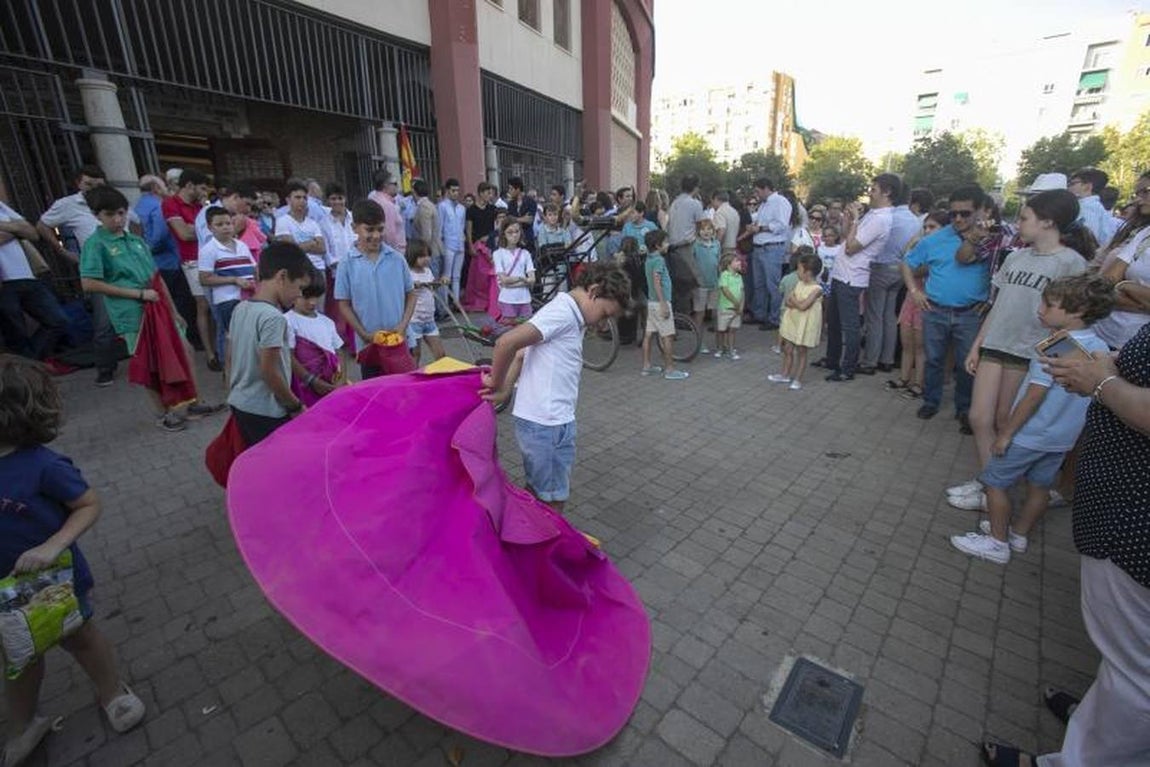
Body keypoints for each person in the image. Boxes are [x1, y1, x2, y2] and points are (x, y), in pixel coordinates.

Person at [978, 324, 1150, 767]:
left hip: (1136, 526)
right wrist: (1113, 365)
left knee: (1138, 676)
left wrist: (1103, 382)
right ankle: (1103, 721)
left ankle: (1087, 754)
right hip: (1124, 512)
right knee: (1127, 661)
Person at [0, 357, 146, 767]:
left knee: (80, 636)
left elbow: (88, 504)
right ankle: (23, 723)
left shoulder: (43, 466)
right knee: (19, 658)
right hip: (6, 594)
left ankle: (112, 692)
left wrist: (54, 544)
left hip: (52, 583)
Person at [950, 274, 1113, 564]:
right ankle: (1019, 534)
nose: (1040, 309)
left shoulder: (1055, 347)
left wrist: (1006, 433)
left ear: (1076, 312)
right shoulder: (1100, 347)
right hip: (1061, 439)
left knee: (995, 483)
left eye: (1049, 304)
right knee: (1040, 487)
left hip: (1029, 434)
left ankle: (997, 542)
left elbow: (1033, 396)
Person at [947, 190, 1092, 510]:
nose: (1019, 224)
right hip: (995, 342)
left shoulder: (1071, 262)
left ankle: (997, 488)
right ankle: (989, 483)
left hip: (1029, 351)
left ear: (1048, 222)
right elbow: (998, 305)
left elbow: (1073, 317)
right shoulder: (1015, 256)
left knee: (1003, 420)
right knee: (978, 417)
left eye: (1025, 218)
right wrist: (977, 345)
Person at [480, 262, 631, 512]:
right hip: (549, 424)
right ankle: (545, 544)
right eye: (604, 314)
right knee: (552, 499)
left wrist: (506, 389)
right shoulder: (563, 313)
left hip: (542, 421)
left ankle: (526, 534)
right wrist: (497, 383)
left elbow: (521, 353)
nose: (603, 324)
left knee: (539, 489)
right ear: (593, 292)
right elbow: (507, 343)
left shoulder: (570, 312)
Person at [80, 186, 219, 431]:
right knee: (149, 362)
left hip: (159, 304)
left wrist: (174, 310)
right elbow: (89, 283)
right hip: (131, 311)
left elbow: (156, 276)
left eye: (121, 213)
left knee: (184, 349)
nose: (117, 219)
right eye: (109, 215)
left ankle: (193, 401)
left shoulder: (135, 241)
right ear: (97, 215)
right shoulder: (95, 244)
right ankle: (164, 414)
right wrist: (138, 294)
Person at [901, 184, 990, 421]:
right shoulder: (935, 239)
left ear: (980, 210)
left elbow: (1001, 273)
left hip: (970, 312)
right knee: (934, 360)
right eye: (953, 214)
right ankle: (931, 400)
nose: (958, 218)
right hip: (935, 310)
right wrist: (914, 291)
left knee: (966, 365)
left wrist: (991, 300)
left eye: (965, 213)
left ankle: (964, 408)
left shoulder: (992, 239)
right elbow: (907, 263)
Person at [224, 242, 312, 445]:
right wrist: (295, 405)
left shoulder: (241, 307)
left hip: (240, 403)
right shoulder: (273, 317)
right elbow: (269, 371)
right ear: (282, 276)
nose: (299, 295)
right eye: (299, 287)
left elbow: (229, 356)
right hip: (266, 410)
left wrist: (232, 390)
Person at [824, 175, 895, 382]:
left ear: (887, 192)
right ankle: (832, 360)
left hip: (852, 278)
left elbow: (852, 247)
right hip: (841, 274)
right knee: (834, 322)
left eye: (873, 189)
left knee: (850, 325)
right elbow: (847, 236)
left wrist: (855, 219)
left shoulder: (881, 219)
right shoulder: (873, 214)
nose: (869, 193)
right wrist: (848, 218)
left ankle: (847, 368)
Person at [335, 200, 416, 380]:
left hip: (399, 342)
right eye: (369, 230)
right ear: (354, 227)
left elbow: (411, 294)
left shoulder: (396, 258)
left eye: (380, 229)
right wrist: (363, 333)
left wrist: (402, 326)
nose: (376, 235)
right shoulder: (347, 264)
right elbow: (344, 304)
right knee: (375, 394)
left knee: (403, 392)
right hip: (369, 347)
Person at [0, 200, 69, 372]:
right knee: (15, 332)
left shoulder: (2, 207)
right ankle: (27, 372)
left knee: (58, 320)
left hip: (26, 275)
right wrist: (16, 230)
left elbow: (32, 232)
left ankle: (29, 364)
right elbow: (20, 231)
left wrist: (9, 228)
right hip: (3, 282)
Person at [861, 178, 919, 374]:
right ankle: (887, 358)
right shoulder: (913, 218)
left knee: (875, 316)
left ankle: (870, 360)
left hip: (881, 266)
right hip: (901, 269)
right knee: (889, 315)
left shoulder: (887, 215)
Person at [888, 210, 949, 398]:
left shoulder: (944, 251)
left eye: (933, 227)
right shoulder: (921, 245)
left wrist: (910, 263)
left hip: (927, 301)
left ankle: (918, 383)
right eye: (926, 227)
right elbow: (903, 265)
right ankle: (904, 378)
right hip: (911, 299)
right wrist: (913, 244)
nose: (928, 231)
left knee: (921, 346)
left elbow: (916, 270)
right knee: (906, 342)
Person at [162, 169, 216, 370]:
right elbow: (183, 234)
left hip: (210, 257)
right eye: (201, 188)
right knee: (203, 304)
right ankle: (210, 353)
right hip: (192, 261)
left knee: (214, 305)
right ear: (190, 185)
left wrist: (199, 226)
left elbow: (214, 229)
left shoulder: (200, 206)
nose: (204, 193)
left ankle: (216, 348)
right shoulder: (171, 204)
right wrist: (202, 230)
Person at [1093, 170, 1150, 350]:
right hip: (1102, 333)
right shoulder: (1144, 233)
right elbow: (1105, 283)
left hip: (1138, 349)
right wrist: (1131, 291)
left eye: (1146, 191)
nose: (1138, 199)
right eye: (1137, 193)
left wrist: (1125, 285)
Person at [197, 206, 257, 365]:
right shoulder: (209, 250)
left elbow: (253, 268)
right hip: (227, 300)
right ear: (210, 227)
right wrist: (233, 280)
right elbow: (204, 279)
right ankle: (228, 370)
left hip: (248, 297)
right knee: (230, 336)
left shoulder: (242, 245)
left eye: (228, 223)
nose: (225, 227)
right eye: (219, 224)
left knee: (247, 336)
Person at [286, 270, 344, 408]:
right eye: (306, 297)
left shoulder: (327, 322)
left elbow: (339, 352)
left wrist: (341, 379)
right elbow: (289, 356)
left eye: (316, 296)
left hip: (331, 382)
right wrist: (310, 380)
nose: (312, 302)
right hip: (304, 387)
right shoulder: (288, 321)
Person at [769, 251, 824, 391]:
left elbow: (803, 306)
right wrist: (796, 302)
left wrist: (795, 302)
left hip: (804, 325)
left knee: (801, 352)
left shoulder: (817, 289)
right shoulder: (799, 283)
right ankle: (785, 374)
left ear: (808, 272)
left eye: (799, 269)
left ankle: (798, 379)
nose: (797, 272)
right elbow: (788, 301)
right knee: (787, 349)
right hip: (793, 321)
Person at [640, 229, 688, 381]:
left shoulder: (648, 259)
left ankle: (647, 366)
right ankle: (670, 369)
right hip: (660, 302)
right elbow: (657, 281)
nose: (667, 244)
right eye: (665, 242)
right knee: (667, 336)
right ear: (657, 245)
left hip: (651, 302)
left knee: (648, 335)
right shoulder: (659, 260)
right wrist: (663, 304)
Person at [750, 177, 793, 329]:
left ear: (766, 188)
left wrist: (761, 228)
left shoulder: (780, 202)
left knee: (772, 284)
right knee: (759, 284)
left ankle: (774, 318)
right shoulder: (764, 204)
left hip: (772, 247)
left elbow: (781, 225)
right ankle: (759, 314)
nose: (756, 194)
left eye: (757, 191)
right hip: (759, 245)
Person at [666, 175, 706, 316]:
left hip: (672, 245)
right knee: (695, 279)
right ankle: (698, 312)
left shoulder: (674, 202)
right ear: (695, 187)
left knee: (678, 280)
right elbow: (701, 225)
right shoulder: (695, 203)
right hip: (688, 245)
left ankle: (680, 313)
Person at [404, 239, 447, 366]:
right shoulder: (408, 274)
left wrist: (441, 281)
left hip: (429, 320)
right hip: (414, 321)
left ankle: (441, 377)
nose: (427, 258)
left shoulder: (428, 271)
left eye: (428, 255)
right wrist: (412, 285)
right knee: (415, 355)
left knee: (440, 354)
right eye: (422, 256)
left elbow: (432, 287)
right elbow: (402, 290)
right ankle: (412, 381)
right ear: (413, 256)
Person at [275, 178, 327, 274]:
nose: (302, 201)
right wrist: (312, 242)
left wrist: (300, 245)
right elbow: (291, 250)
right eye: (297, 197)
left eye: (304, 198)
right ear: (288, 200)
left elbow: (322, 249)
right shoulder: (282, 222)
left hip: (318, 269)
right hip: (297, 270)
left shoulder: (313, 223)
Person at [493, 220, 535, 321]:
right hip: (507, 298)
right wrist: (522, 279)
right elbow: (504, 280)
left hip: (525, 298)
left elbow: (532, 279)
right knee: (509, 329)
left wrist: (510, 284)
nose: (514, 235)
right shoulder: (498, 254)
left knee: (526, 330)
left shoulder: (525, 253)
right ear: (504, 234)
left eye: (517, 231)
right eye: (510, 232)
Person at [1069, 167, 1120, 249]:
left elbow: (1087, 240)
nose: (1069, 187)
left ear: (1087, 186)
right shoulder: (1094, 206)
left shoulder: (1088, 208)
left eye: (1072, 184)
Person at [692, 218, 721, 353]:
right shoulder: (695, 245)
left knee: (715, 314)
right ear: (699, 232)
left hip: (714, 283)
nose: (706, 232)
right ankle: (699, 343)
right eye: (703, 229)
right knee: (700, 314)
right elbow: (692, 264)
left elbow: (719, 263)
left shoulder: (717, 244)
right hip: (700, 285)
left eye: (709, 229)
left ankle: (719, 343)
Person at [438, 178, 467, 302]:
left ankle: (456, 303)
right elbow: (439, 227)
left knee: (457, 276)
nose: (456, 193)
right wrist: (440, 246)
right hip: (448, 244)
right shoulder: (442, 206)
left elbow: (462, 226)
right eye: (453, 190)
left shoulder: (461, 208)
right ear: (447, 191)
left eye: (457, 190)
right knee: (446, 275)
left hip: (460, 244)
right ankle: (444, 303)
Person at [714, 253, 745, 360]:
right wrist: (735, 302)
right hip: (725, 308)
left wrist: (741, 306)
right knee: (721, 330)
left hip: (736, 310)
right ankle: (720, 348)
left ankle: (731, 349)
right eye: (736, 261)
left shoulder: (739, 277)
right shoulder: (724, 275)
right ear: (728, 264)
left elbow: (742, 291)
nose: (739, 262)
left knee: (732, 330)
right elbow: (725, 290)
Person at [367, 170, 406, 253]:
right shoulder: (387, 205)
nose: (397, 187)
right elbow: (389, 235)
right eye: (395, 183)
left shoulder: (374, 199)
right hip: (392, 253)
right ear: (385, 185)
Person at [504, 177, 537, 252]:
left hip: (527, 239)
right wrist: (522, 218)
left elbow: (529, 220)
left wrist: (515, 219)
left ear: (518, 189)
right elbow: (509, 220)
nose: (509, 191)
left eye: (511, 189)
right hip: (514, 240)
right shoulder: (511, 204)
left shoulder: (530, 202)